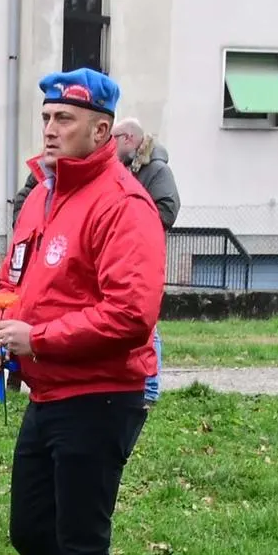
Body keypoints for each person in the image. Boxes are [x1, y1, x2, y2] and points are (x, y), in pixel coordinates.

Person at [0, 67, 170, 555]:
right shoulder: (42, 194)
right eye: (47, 118)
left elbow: (131, 314)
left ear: (102, 130)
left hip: (103, 393)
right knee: (30, 530)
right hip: (49, 387)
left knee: (83, 546)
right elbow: (12, 280)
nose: (51, 129)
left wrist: (39, 338)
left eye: (65, 119)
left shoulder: (124, 204)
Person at [113, 116, 181, 407]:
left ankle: (150, 389)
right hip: (123, 253)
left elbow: (168, 209)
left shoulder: (156, 170)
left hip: (143, 255)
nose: (109, 145)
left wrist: (136, 226)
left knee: (148, 323)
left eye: (113, 139)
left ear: (128, 139)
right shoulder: (126, 169)